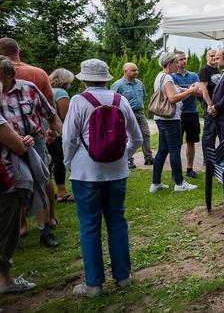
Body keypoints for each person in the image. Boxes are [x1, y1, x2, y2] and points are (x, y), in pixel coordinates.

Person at [62, 58, 142, 297]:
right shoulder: (121, 100)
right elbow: (136, 138)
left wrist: (70, 164)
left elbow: (69, 139)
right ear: (107, 78)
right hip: (117, 172)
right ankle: (123, 277)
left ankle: (94, 284)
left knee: (89, 226)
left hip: (86, 173)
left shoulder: (79, 101)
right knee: (117, 222)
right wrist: (122, 154)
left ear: (84, 78)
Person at [0, 56, 63, 248]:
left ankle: (45, 230)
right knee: (13, 187)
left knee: (41, 182)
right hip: (4, 147)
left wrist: (54, 132)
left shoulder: (28, 88)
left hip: (34, 142)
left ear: (10, 74)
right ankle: (19, 229)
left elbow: (51, 114)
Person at [0, 99, 37, 295]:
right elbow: (18, 147)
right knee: (6, 233)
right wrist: (22, 141)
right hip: (3, 184)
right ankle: (5, 280)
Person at [151, 52, 199, 193]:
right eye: (175, 62)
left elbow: (174, 91)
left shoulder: (160, 76)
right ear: (170, 63)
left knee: (162, 150)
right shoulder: (168, 78)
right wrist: (190, 91)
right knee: (174, 150)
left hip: (160, 119)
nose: (178, 64)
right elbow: (172, 98)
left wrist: (189, 90)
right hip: (170, 119)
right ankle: (179, 183)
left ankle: (155, 182)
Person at [111, 62, 154, 168]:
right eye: (133, 70)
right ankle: (128, 160)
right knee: (127, 137)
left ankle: (148, 158)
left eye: (136, 70)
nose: (136, 72)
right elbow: (111, 101)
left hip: (140, 113)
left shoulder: (139, 83)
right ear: (125, 71)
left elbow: (143, 96)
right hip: (126, 115)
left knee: (146, 134)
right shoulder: (117, 85)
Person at [172, 51, 201, 179]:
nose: (184, 61)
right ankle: (175, 171)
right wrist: (190, 90)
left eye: (185, 59)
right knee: (176, 144)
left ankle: (189, 169)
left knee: (191, 142)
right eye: (181, 59)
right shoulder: (171, 77)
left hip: (192, 112)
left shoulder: (194, 76)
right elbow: (173, 92)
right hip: (178, 114)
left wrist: (183, 90)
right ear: (175, 62)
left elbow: (200, 92)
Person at [47, 68, 74, 202]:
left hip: (43, 132)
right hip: (56, 133)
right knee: (59, 162)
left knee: (47, 163)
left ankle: (47, 192)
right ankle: (62, 192)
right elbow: (65, 115)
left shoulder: (46, 90)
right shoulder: (61, 93)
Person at [199, 49, 219, 157]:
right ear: (207, 57)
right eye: (211, 56)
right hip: (209, 107)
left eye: (215, 56)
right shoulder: (204, 70)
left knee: (216, 133)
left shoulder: (218, 69)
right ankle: (207, 159)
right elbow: (203, 89)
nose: (213, 58)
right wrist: (210, 105)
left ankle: (215, 157)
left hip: (219, 106)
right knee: (209, 133)